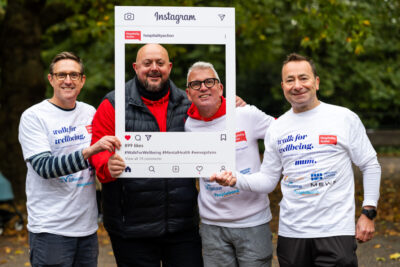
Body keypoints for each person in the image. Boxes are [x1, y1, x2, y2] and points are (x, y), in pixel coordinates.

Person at [211, 53, 381, 267]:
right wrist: (236, 179)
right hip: (292, 233)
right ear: (283, 86)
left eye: (304, 78)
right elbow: (267, 180)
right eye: (290, 80)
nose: (297, 85)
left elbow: (370, 165)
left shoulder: (344, 118)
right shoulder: (277, 127)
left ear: (316, 82)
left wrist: (368, 212)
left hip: (336, 230)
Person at [89, 43, 203, 267]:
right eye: (147, 63)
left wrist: (232, 106)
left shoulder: (188, 103)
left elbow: (215, 122)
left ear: (169, 67)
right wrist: (106, 165)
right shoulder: (112, 104)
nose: (154, 68)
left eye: (160, 63)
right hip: (131, 228)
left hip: (182, 226)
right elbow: (99, 149)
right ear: (135, 67)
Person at [18, 51, 121, 267]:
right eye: (61, 75)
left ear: (83, 80)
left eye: (74, 75)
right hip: (50, 229)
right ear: (51, 79)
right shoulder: (34, 116)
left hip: (87, 227)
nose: (68, 80)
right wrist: (90, 152)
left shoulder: (90, 112)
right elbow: (45, 167)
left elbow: (103, 157)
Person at [185, 61, 275, 267]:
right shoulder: (188, 125)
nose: (204, 87)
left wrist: (275, 170)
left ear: (220, 88)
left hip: (253, 221)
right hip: (212, 225)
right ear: (188, 94)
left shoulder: (245, 114)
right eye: (196, 84)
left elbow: (282, 134)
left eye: (209, 81)